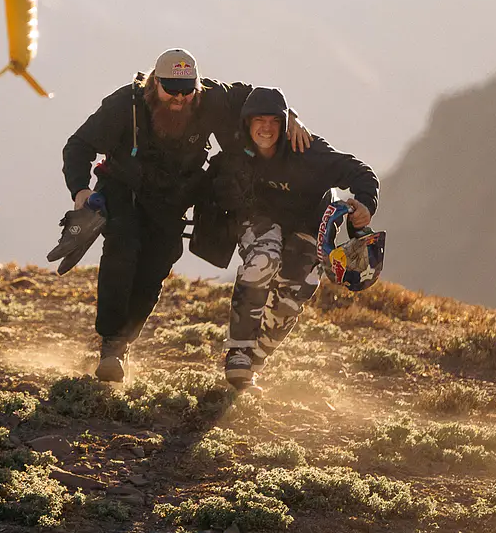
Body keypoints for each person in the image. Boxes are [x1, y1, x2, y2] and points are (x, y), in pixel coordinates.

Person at [60, 49, 311, 383]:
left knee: (156, 267)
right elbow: (78, 145)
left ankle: (125, 342)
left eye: (186, 89)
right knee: (123, 249)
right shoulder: (125, 104)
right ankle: (112, 346)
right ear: (153, 83)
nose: (178, 97)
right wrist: (81, 191)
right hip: (123, 190)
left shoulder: (210, 99)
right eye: (170, 89)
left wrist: (291, 117)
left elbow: (252, 97)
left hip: (171, 200)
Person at [216, 86, 379, 390]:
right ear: (247, 122)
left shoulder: (308, 151)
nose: (265, 128)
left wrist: (366, 204)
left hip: (308, 223)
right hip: (260, 218)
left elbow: (360, 172)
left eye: (274, 121)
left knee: (296, 293)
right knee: (264, 259)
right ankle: (238, 351)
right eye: (258, 120)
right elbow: (211, 93)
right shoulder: (237, 147)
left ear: (284, 123)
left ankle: (254, 362)